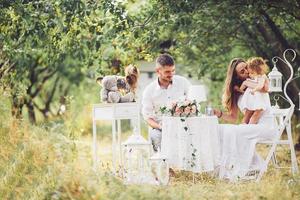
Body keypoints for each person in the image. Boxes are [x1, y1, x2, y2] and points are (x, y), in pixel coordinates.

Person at [214, 58, 276, 181]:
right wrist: (219, 113)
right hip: (252, 125)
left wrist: (257, 79)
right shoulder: (238, 92)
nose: (247, 72)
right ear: (236, 76)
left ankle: (249, 167)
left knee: (236, 131)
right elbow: (233, 118)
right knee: (220, 129)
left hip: (266, 126)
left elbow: (264, 88)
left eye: (246, 67)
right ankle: (225, 167)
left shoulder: (257, 83)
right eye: (242, 71)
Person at [142, 53, 191, 152]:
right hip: (161, 127)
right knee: (155, 135)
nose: (171, 74)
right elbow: (147, 117)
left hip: (183, 124)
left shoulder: (183, 82)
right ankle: (163, 165)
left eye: (173, 70)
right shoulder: (149, 90)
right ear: (158, 71)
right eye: (167, 72)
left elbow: (192, 102)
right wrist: (161, 127)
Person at [239, 57, 271, 124]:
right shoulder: (257, 76)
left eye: (252, 72)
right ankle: (244, 127)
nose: (250, 74)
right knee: (249, 114)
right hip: (256, 98)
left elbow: (260, 85)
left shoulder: (262, 76)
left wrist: (254, 90)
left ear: (257, 70)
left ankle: (250, 127)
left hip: (261, 99)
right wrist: (241, 89)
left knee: (256, 114)